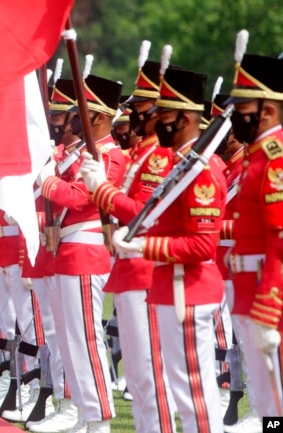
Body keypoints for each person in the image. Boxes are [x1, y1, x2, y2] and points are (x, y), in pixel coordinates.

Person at [112, 66, 227, 433]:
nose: (155, 121)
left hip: (187, 289)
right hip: (172, 288)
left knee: (196, 398)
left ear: (186, 118)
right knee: (183, 393)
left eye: (163, 114)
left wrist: (142, 245)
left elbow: (201, 243)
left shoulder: (199, 170)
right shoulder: (181, 164)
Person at [80, 56, 177, 433]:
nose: (133, 114)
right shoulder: (141, 154)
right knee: (137, 374)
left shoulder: (160, 158)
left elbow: (143, 213)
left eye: (140, 108)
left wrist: (101, 190)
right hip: (128, 267)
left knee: (149, 371)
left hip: (144, 268)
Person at [36, 74, 127, 433]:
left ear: (100, 118)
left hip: (85, 250)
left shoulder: (107, 155)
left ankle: (99, 418)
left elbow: (77, 197)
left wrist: (46, 180)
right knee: (71, 339)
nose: (72, 120)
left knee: (87, 339)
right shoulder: (83, 153)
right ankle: (87, 414)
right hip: (67, 249)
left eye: (79, 114)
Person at [227, 52, 283, 420]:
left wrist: (268, 305)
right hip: (248, 282)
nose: (236, 116)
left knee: (278, 398)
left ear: (267, 110)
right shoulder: (256, 156)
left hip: (268, 289)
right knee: (266, 400)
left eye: (243, 107)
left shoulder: (275, 159)